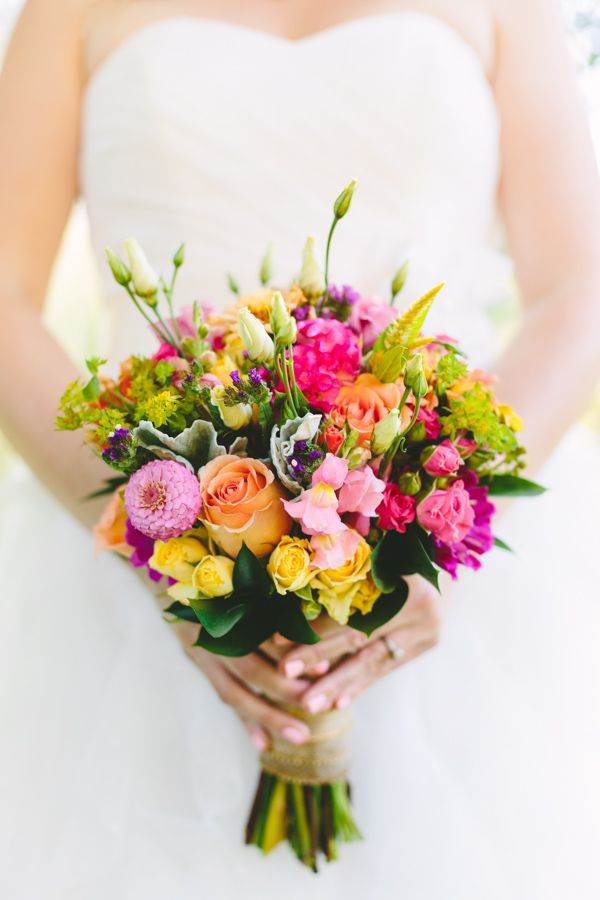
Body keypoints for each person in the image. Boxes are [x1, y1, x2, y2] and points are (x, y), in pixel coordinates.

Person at [0, 1, 599, 897]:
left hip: (458, 587)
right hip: (130, 579)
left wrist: (441, 534)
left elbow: (575, 288)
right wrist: (156, 534)